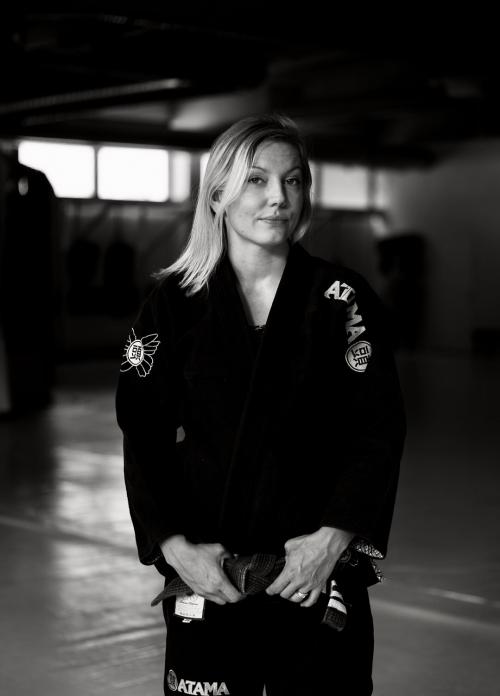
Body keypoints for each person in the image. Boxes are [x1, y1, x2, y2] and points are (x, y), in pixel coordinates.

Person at [115, 113, 406, 695]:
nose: (279, 197)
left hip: (316, 571)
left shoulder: (341, 298)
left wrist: (332, 540)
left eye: (293, 180)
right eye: (257, 179)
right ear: (217, 194)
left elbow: (377, 430)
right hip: (211, 571)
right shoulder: (174, 304)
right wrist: (175, 547)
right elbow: (143, 433)